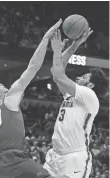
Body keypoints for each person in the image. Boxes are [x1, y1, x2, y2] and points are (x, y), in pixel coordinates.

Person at [0, 19, 62, 178]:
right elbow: (33, 67)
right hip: (14, 160)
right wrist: (45, 39)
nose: (0, 83)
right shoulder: (9, 98)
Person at [43, 29, 108, 178]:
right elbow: (56, 71)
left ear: (91, 85)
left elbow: (58, 75)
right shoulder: (71, 94)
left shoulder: (89, 96)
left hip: (74, 158)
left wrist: (58, 51)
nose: (79, 77)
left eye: (84, 76)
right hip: (56, 155)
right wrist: (74, 45)